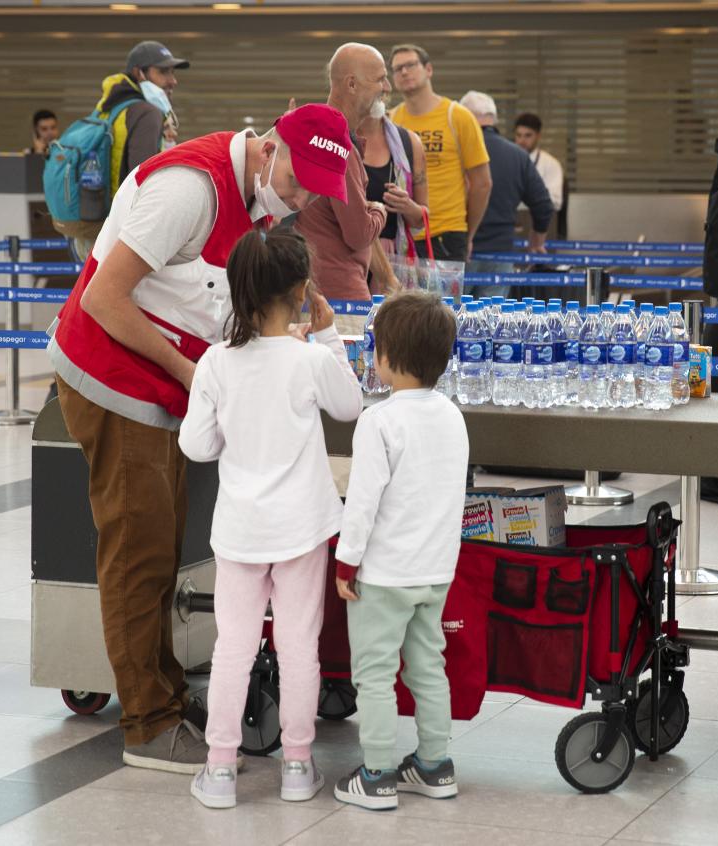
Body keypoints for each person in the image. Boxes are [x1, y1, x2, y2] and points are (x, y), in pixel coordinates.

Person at [48, 104, 352, 773]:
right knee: (139, 553)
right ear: (270, 148)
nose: (300, 200)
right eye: (300, 181)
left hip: (165, 386)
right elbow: (105, 299)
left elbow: (209, 301)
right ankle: (147, 725)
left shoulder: (255, 202)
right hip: (114, 377)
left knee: (163, 544)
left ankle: (159, 691)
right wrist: (199, 374)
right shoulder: (191, 188)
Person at [182, 231, 362, 809]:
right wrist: (330, 334)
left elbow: (196, 445)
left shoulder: (215, 362)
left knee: (232, 646)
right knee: (297, 646)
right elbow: (350, 406)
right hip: (301, 530)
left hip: (238, 531)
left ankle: (219, 770)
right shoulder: (310, 359)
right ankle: (296, 764)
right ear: (303, 291)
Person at [332, 291, 468, 811]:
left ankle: (378, 774)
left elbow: (362, 503)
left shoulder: (379, 421)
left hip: (385, 575)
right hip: (435, 570)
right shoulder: (452, 416)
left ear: (387, 356)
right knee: (428, 667)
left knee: (374, 674)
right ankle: (435, 766)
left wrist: (347, 562)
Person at [63, 40, 190, 263]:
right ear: (139, 73)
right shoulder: (147, 113)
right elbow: (145, 182)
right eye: (163, 72)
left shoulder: (111, 105)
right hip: (116, 236)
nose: (173, 80)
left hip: (89, 229)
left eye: (172, 72)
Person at [296, 43, 390, 310]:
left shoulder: (317, 132)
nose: (387, 88)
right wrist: (380, 210)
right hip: (340, 300)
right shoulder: (338, 146)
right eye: (380, 79)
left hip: (315, 292)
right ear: (352, 84)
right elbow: (359, 235)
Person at [389, 44, 491, 261]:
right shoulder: (391, 120)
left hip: (447, 233)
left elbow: (482, 183)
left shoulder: (458, 117)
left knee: (445, 297)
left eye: (410, 65)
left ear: (429, 70)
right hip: (402, 235)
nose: (404, 72)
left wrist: (467, 233)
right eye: (397, 69)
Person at [459, 91, 553, 299]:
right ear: (494, 118)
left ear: (465, 117)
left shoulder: (457, 151)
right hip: (501, 253)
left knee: (452, 319)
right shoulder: (518, 155)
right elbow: (543, 205)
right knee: (494, 323)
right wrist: (536, 242)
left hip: (461, 251)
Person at [359, 105, 429, 266]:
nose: (386, 87)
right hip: (346, 257)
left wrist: (408, 207)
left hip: (394, 257)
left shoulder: (409, 142)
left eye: (384, 79)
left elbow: (422, 218)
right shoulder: (334, 138)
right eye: (377, 79)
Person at [513, 112, 564, 215]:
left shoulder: (551, 164)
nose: (522, 141)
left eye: (528, 136)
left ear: (538, 136)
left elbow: (555, 202)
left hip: (538, 219)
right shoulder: (508, 161)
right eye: (518, 135)